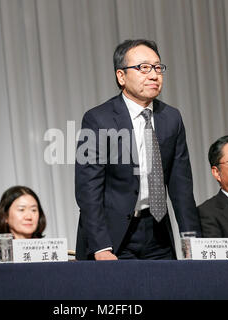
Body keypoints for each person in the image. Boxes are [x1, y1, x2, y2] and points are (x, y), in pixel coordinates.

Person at [75, 39, 201, 260]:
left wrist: (193, 242)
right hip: (114, 236)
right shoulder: (98, 119)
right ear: (121, 76)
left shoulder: (172, 118)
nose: (153, 75)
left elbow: (181, 186)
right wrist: (101, 246)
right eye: (143, 68)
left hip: (157, 230)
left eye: (157, 67)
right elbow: (88, 189)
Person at [0, 186, 47, 258]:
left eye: (33, 210)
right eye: (21, 210)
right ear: (5, 216)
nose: (29, 217)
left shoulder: (47, 250)